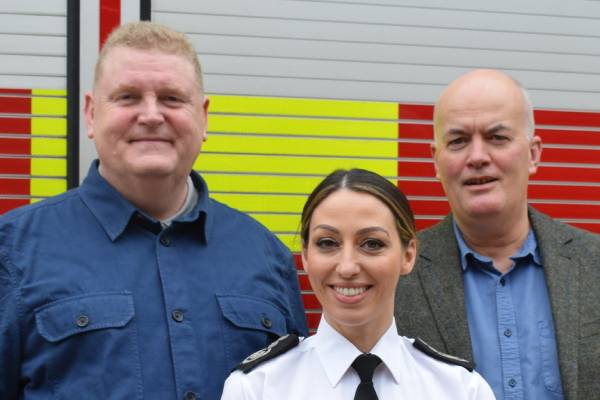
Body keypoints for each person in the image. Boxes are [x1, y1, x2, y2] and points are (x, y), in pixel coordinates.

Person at [0, 21, 307, 400]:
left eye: (172, 98)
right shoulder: (11, 251)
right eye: (127, 97)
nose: (150, 115)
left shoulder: (266, 256)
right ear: (91, 114)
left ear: (203, 117)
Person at [395, 69, 600, 400]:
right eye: (458, 141)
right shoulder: (396, 277)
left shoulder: (594, 264)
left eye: (497, 137)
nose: (477, 157)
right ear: (436, 160)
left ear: (533, 154)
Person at [221, 169, 495, 399]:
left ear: (408, 255)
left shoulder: (462, 390)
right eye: (327, 243)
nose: (347, 267)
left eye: (372, 244)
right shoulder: (256, 389)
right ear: (305, 255)